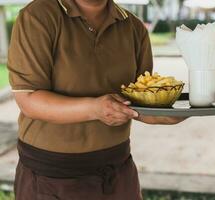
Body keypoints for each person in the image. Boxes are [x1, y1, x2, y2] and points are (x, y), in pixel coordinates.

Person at [7, 0, 186, 199]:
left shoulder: (132, 26)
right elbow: (28, 99)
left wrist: (170, 113)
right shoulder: (39, 16)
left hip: (117, 172)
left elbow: (137, 103)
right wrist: (94, 109)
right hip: (51, 176)